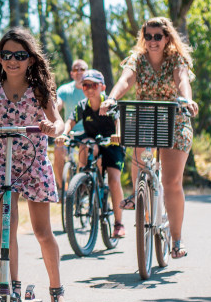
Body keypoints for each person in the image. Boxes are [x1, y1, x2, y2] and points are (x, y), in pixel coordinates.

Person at [0, 27, 67, 302]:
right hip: (6, 166)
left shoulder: (38, 91)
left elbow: (59, 121)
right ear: (0, 58)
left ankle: (57, 294)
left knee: (42, 232)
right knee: (7, 228)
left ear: (30, 59)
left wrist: (54, 128)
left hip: (35, 164)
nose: (13, 60)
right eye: (7, 55)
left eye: (20, 55)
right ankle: (11, 288)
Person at [100, 17, 198, 259]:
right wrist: (112, 98)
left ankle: (176, 239)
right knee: (136, 144)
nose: (152, 41)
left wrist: (187, 100)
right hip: (147, 117)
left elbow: (182, 79)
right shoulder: (137, 59)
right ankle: (138, 193)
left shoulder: (176, 58)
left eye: (158, 36)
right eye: (148, 36)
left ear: (167, 38)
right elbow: (126, 79)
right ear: (143, 38)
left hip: (175, 119)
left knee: (172, 182)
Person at [56, 69, 126, 238]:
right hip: (93, 142)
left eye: (93, 85)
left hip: (112, 144)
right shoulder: (82, 106)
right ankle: (85, 183)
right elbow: (70, 122)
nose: (89, 89)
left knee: (115, 180)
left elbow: (118, 122)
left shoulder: (110, 104)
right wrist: (63, 134)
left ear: (102, 87)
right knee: (85, 146)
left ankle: (119, 223)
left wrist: (118, 134)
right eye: (85, 85)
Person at [54, 60, 89, 193]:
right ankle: (63, 189)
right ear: (71, 74)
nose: (79, 72)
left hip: (87, 132)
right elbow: (58, 103)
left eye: (82, 69)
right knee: (58, 150)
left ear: (87, 72)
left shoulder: (91, 89)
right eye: (76, 70)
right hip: (69, 132)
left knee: (85, 150)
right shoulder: (65, 89)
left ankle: (81, 185)